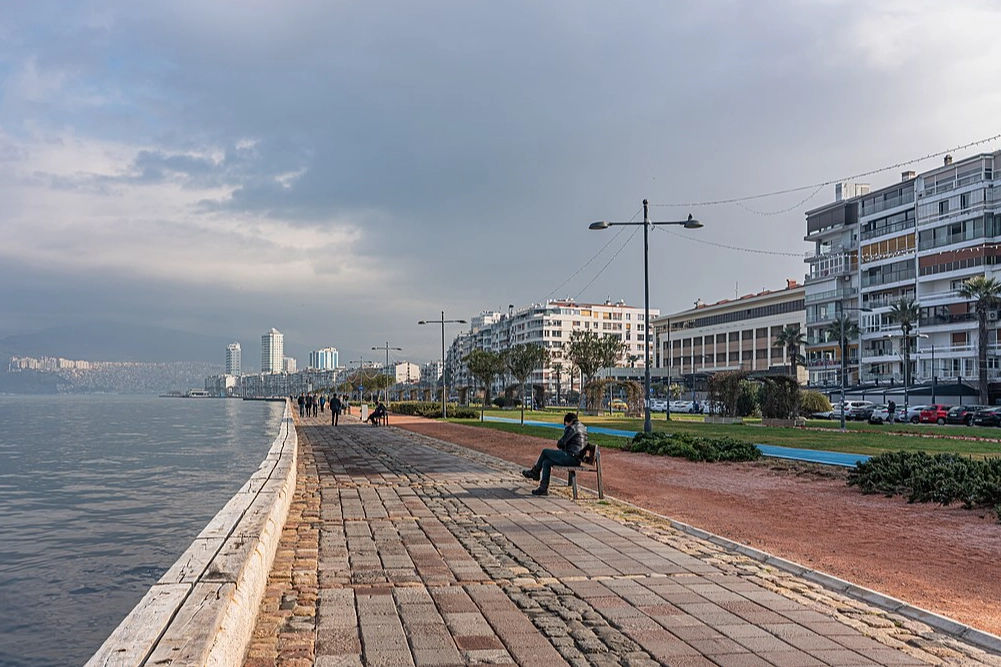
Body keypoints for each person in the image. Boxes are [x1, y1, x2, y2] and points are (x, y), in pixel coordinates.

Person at [522, 412, 587, 496]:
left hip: (571, 457)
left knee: (545, 451)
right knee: (546, 462)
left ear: (569, 421)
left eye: (565, 424)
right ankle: (543, 488)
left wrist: (562, 441)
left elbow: (560, 443)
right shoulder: (582, 427)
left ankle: (536, 472)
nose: (566, 426)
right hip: (576, 458)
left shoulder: (572, 428)